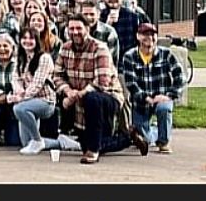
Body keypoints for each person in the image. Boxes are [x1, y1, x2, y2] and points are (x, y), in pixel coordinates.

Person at [52, 15, 145, 164]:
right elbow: (57, 75)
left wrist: (76, 96)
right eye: (71, 28)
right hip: (80, 102)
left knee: (92, 98)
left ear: (87, 29)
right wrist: (68, 91)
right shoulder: (65, 48)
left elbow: (102, 82)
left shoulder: (100, 48)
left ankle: (93, 152)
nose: (75, 32)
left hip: (108, 97)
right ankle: (128, 137)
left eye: (78, 28)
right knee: (87, 144)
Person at [121, 22, 184, 154]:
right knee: (144, 139)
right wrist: (146, 98)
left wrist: (169, 95)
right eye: (145, 34)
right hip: (141, 101)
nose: (149, 37)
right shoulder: (129, 56)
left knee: (164, 109)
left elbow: (180, 77)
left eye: (152, 34)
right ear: (138, 36)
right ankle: (154, 132)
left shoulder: (166, 54)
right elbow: (131, 84)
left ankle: (164, 142)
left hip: (162, 97)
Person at [10, 26, 63, 154]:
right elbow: (15, 78)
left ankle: (37, 140)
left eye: (31, 38)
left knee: (18, 108)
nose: (27, 41)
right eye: (24, 38)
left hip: (45, 101)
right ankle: (63, 143)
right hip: (28, 100)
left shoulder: (44, 58)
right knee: (26, 143)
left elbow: (37, 83)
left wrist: (21, 98)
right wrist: (18, 92)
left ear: (37, 41)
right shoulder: (19, 58)